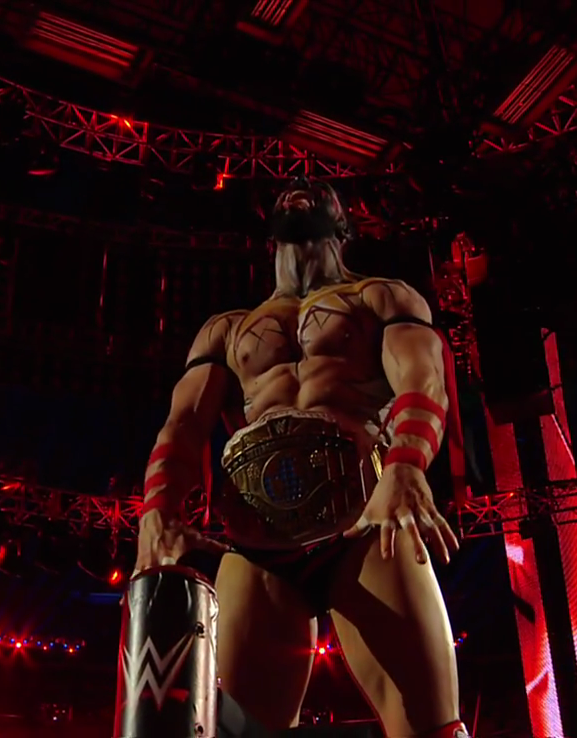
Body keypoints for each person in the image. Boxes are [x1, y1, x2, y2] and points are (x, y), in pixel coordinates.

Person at [134, 177, 467, 738]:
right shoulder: (224, 330)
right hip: (258, 548)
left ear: (345, 224)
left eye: (317, 189)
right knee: (242, 733)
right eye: (288, 190)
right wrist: (158, 508)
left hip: (364, 529)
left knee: (431, 733)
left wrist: (408, 464)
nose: (299, 189)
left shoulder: (382, 297)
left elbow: (423, 380)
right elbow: (183, 424)